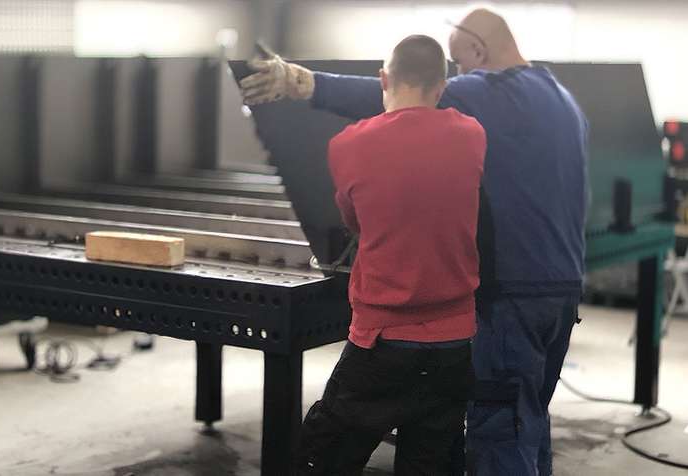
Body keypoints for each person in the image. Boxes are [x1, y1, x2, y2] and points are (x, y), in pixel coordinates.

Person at [241, 8, 588, 476]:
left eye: (461, 64)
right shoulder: (562, 97)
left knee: (497, 434)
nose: (459, 78)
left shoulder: (492, 93)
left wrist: (307, 83)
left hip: (513, 296)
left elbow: (406, 97)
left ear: (478, 53)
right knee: (527, 420)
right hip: (562, 291)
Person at [294, 34, 485, 475]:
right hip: (454, 343)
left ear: (383, 78)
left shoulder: (348, 144)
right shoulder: (472, 135)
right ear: (443, 85)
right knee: (430, 464)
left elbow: (356, 222)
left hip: (381, 342)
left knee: (322, 458)